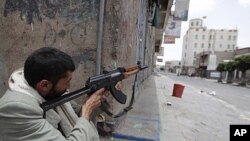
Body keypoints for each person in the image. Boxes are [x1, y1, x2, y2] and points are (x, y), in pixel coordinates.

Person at [0, 47, 117, 141]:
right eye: (67, 83)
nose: (69, 87)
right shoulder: (18, 109)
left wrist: (100, 97)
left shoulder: (47, 91)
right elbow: (83, 116)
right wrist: (86, 113)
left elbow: (76, 113)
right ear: (44, 85)